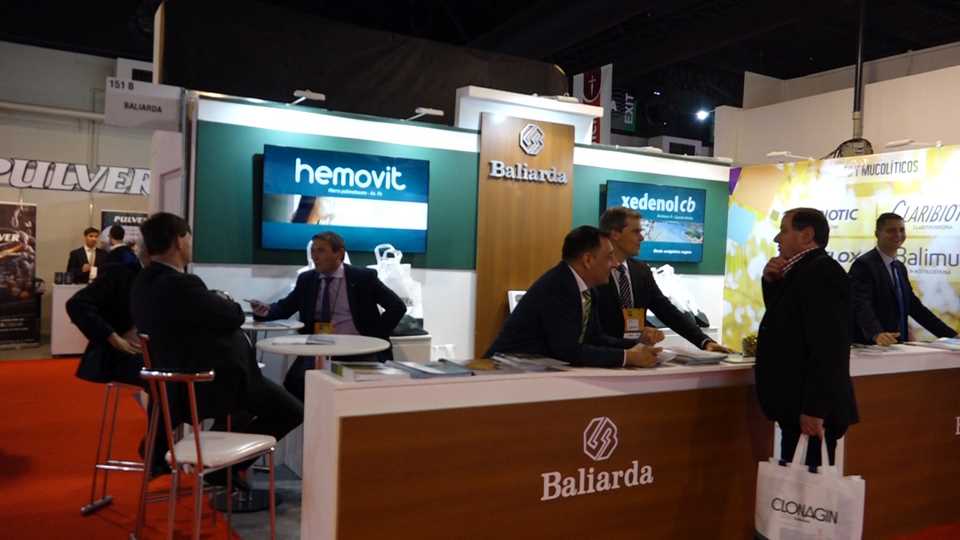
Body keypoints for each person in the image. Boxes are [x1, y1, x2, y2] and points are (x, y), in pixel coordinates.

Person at [131, 212, 303, 486]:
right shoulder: (180, 283)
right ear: (179, 241)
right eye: (189, 238)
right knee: (291, 410)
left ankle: (216, 463)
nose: (191, 243)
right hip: (209, 383)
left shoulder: (145, 280)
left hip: (177, 385)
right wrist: (224, 302)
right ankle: (224, 468)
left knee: (244, 410)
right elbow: (232, 315)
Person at [756, 208, 858, 469]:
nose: (777, 238)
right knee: (797, 484)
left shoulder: (822, 273)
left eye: (784, 230)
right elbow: (787, 324)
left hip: (812, 410)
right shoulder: (800, 271)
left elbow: (829, 347)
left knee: (809, 489)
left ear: (806, 235)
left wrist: (815, 408)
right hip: (797, 405)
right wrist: (772, 282)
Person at [249, 231, 407, 401]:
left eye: (321, 250)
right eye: (313, 251)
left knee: (356, 393)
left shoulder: (363, 278)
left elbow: (397, 307)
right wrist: (264, 312)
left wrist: (375, 335)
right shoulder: (307, 280)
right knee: (295, 384)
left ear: (339, 253)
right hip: (319, 348)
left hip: (358, 349)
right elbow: (284, 307)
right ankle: (313, 416)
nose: (315, 256)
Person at [485, 225, 662, 368]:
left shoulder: (589, 290)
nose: (615, 264)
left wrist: (636, 345)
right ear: (588, 260)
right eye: (609, 257)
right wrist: (627, 357)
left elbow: (595, 338)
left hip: (536, 371)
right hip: (506, 372)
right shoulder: (558, 286)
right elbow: (567, 350)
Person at [596, 207, 732, 352]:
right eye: (636, 232)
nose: (642, 238)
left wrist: (704, 341)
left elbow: (666, 310)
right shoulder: (593, 271)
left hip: (638, 357)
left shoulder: (641, 271)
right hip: (602, 358)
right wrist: (632, 341)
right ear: (615, 234)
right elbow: (593, 330)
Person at [849, 212, 957, 345]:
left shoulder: (899, 267)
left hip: (898, 346)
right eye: (891, 230)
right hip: (873, 346)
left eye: (901, 230)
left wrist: (952, 336)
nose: (898, 234)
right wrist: (876, 334)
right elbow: (861, 304)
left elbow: (915, 307)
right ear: (877, 234)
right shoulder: (864, 265)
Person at [67, 243, 145, 387]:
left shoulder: (156, 275)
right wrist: (111, 336)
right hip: (126, 357)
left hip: (149, 353)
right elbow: (77, 304)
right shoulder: (122, 268)